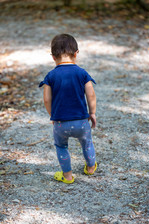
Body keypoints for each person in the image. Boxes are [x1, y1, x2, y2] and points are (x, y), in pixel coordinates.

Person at [39, 33, 97, 184]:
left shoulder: (50, 76)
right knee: (87, 143)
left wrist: (53, 115)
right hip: (81, 122)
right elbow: (91, 95)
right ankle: (90, 168)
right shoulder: (82, 73)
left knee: (61, 146)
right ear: (76, 54)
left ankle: (68, 176)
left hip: (60, 123)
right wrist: (92, 113)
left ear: (53, 57)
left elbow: (46, 99)